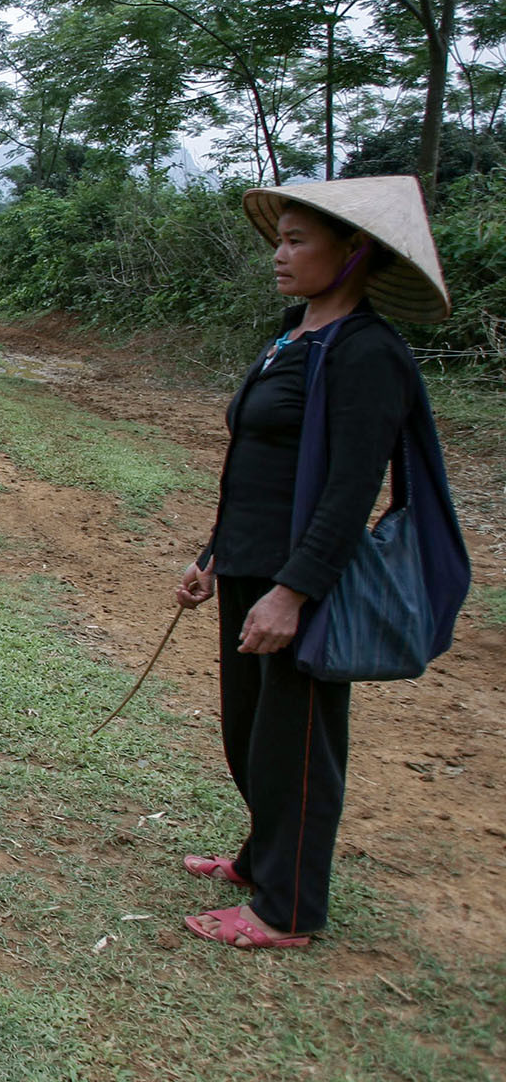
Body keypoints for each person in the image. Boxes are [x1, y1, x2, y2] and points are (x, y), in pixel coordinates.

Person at [174, 176, 453, 950]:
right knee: (251, 729)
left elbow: (350, 487)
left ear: (354, 251)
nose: (280, 255)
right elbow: (258, 465)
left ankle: (288, 909)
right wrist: (214, 556)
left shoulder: (367, 354)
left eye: (299, 241)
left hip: (300, 579)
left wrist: (294, 591)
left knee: (297, 743)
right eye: (280, 239)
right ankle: (260, 860)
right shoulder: (292, 336)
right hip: (248, 565)